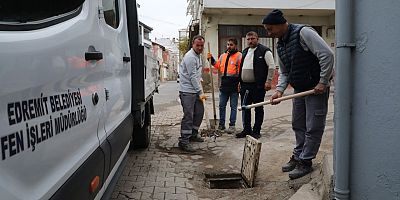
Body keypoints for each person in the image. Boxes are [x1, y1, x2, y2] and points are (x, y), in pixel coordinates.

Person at [263, 9, 334, 179]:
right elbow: (285, 71)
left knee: (313, 127)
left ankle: (306, 161)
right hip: (299, 89)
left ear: (281, 24)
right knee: (298, 124)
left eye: (270, 29)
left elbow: (327, 55)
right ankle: (298, 155)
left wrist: (322, 81)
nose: (269, 33)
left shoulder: (304, 33)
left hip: (316, 89)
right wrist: (279, 91)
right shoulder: (281, 44)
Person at [236, 31, 275, 139]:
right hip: (245, 86)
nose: (250, 41)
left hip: (258, 86)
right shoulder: (244, 52)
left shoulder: (264, 51)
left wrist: (268, 81)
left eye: (252, 38)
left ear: (258, 39)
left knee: (258, 108)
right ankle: (246, 130)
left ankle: (256, 130)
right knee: (245, 108)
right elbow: (241, 68)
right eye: (248, 39)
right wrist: (240, 82)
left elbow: (271, 67)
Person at [178, 35, 207, 152]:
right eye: (197, 45)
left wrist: (200, 80)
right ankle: (184, 141)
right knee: (189, 115)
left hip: (195, 90)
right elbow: (192, 76)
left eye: (202, 46)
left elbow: (196, 74)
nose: (200, 47)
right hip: (187, 91)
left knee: (199, 112)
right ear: (193, 45)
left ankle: (193, 135)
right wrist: (200, 91)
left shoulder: (198, 56)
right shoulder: (190, 57)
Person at [207, 38, 242, 134]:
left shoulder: (239, 56)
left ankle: (232, 125)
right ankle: (221, 125)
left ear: (235, 45)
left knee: (233, 106)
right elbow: (218, 66)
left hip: (234, 85)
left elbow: (241, 71)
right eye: (228, 45)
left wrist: (240, 83)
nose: (229, 46)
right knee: (222, 105)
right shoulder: (223, 56)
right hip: (224, 85)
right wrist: (211, 59)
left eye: (231, 45)